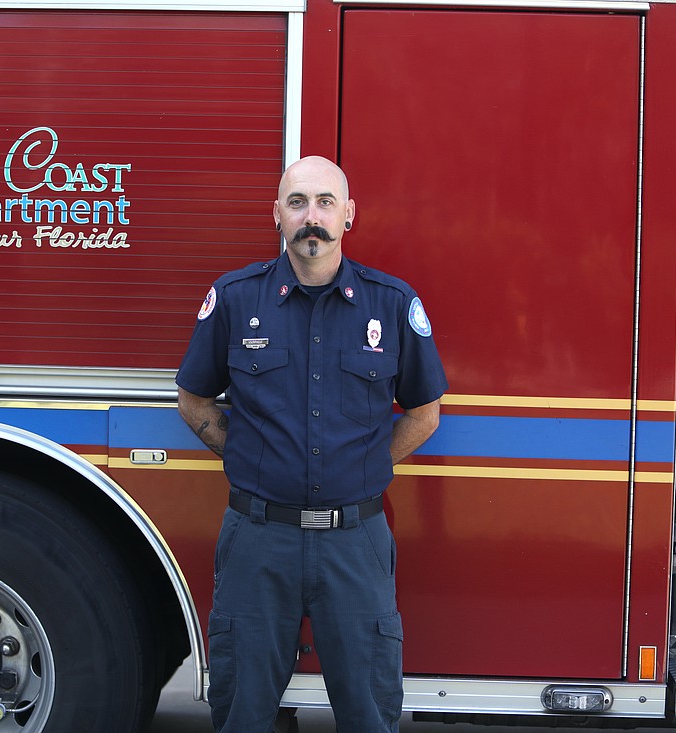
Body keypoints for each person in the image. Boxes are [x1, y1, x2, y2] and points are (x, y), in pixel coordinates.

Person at [175, 155, 448, 733]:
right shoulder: (235, 299)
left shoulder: (392, 306)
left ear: (349, 214)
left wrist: (363, 467)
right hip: (257, 541)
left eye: (326, 202)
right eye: (297, 203)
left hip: (355, 543)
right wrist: (254, 459)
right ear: (276, 214)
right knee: (242, 714)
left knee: (368, 715)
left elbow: (424, 415)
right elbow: (194, 402)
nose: (311, 217)